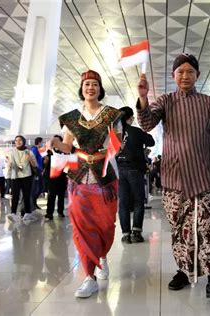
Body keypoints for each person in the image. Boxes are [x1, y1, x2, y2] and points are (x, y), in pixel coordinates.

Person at [136, 53, 210, 298]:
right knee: (179, 229)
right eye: (180, 72)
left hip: (202, 176)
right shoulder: (165, 101)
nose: (185, 76)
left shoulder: (208, 102)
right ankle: (183, 270)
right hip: (174, 179)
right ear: (173, 76)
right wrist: (143, 97)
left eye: (190, 71)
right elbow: (146, 123)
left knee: (206, 228)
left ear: (197, 75)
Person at [49, 70, 122, 299]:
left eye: (95, 84)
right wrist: (56, 144)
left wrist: (114, 145)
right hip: (78, 177)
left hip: (105, 177)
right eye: (86, 84)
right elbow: (68, 147)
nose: (90, 88)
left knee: (106, 226)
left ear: (100, 89)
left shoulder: (112, 115)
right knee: (81, 227)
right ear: (81, 89)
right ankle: (89, 277)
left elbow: (117, 144)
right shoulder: (71, 117)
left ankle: (102, 255)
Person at [117, 106, 155, 244]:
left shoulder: (115, 133)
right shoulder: (135, 131)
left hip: (119, 170)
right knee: (138, 201)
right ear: (130, 118)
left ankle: (126, 234)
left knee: (123, 203)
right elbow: (151, 141)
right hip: (135, 169)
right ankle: (136, 233)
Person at [7, 135, 38, 224]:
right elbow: (12, 165)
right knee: (15, 196)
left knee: (27, 195)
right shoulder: (12, 152)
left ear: (23, 141)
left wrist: (31, 160)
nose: (18, 142)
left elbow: (35, 165)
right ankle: (13, 213)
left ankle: (27, 213)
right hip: (15, 177)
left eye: (20, 140)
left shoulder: (29, 152)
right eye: (16, 140)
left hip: (27, 176)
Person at [43, 135, 67, 220]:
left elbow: (69, 165)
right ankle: (49, 213)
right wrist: (45, 162)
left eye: (58, 141)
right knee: (51, 196)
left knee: (61, 196)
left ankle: (60, 211)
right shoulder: (49, 152)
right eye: (54, 141)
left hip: (62, 177)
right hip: (51, 178)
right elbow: (45, 165)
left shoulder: (65, 152)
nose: (56, 142)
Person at [31, 137, 44, 209]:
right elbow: (32, 159)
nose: (42, 144)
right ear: (39, 142)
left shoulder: (38, 150)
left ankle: (34, 203)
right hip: (36, 171)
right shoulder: (34, 149)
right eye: (42, 142)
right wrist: (35, 170)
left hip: (39, 171)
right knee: (37, 188)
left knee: (40, 188)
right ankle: (33, 204)